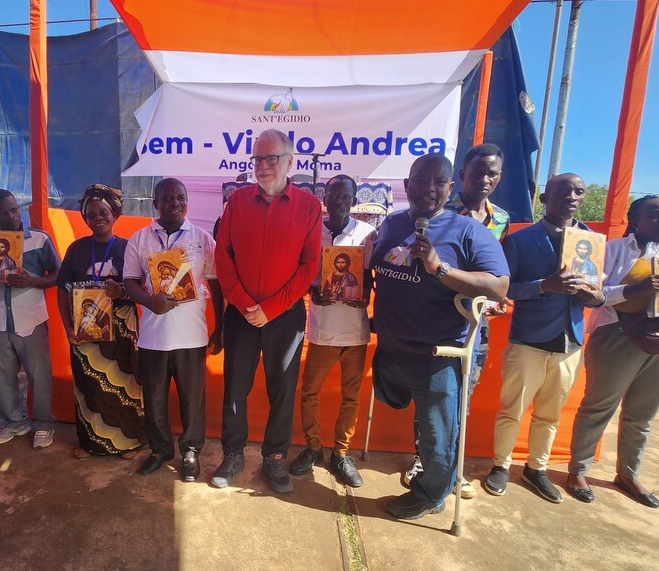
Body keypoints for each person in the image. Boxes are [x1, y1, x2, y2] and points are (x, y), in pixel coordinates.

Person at [372, 153, 508, 520]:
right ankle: (432, 483)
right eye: (419, 180)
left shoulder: (469, 231)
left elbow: (498, 286)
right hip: (389, 350)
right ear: (406, 185)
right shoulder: (390, 225)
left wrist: (440, 268)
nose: (427, 188)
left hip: (437, 354)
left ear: (451, 188)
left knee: (438, 435)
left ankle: (431, 495)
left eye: (437, 182)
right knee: (396, 406)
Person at [566, 195, 659, 508]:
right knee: (598, 407)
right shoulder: (613, 250)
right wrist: (638, 289)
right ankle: (578, 470)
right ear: (635, 220)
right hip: (618, 337)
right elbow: (592, 293)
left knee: (642, 415)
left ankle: (628, 474)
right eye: (655, 215)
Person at [212, 128, 321, 494]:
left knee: (282, 389)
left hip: (285, 317)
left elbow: (309, 267)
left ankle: (275, 458)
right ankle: (233, 453)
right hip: (241, 315)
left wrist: (272, 309)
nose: (262, 166)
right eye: (257, 159)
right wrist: (245, 304)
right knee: (235, 388)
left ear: (290, 161)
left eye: (270, 158)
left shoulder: (309, 206)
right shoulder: (237, 201)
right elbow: (222, 257)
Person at [483, 173, 603, 503]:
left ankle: (537, 469)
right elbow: (503, 288)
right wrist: (543, 285)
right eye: (563, 191)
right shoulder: (521, 241)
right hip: (529, 341)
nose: (572, 197)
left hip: (569, 341)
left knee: (550, 414)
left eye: (579, 191)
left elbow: (599, 295)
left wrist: (593, 296)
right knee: (512, 409)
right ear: (544, 198)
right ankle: (501, 466)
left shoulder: (591, 242)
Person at [404, 143, 512, 499]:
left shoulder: (488, 223)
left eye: (492, 173)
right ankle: (428, 462)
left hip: (464, 336)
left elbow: (498, 280)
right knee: (430, 406)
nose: (483, 179)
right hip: (421, 335)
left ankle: (443, 475)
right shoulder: (418, 218)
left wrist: (447, 272)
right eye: (477, 172)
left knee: (454, 408)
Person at [123, 178, 223, 481]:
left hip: (192, 335)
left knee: (192, 398)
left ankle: (191, 451)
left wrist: (219, 327)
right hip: (153, 336)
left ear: (187, 201)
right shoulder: (139, 239)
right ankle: (160, 449)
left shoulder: (202, 239)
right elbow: (129, 281)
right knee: (154, 397)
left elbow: (215, 283)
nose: (175, 203)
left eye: (180, 198)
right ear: (156, 204)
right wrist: (148, 300)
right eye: (167, 198)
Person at [289, 174, 375, 488]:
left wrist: (364, 294)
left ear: (354, 200)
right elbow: (301, 275)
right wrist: (313, 292)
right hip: (322, 329)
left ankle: (341, 452)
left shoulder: (367, 234)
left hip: (355, 331)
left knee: (350, 396)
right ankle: (313, 447)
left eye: (345, 196)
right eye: (334, 195)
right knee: (309, 392)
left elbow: (373, 277)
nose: (339, 201)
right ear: (325, 198)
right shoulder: (312, 233)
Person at [55, 183, 147, 459]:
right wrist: (67, 326)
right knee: (89, 385)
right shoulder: (76, 249)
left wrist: (124, 293)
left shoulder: (128, 247)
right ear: (85, 218)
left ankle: (129, 442)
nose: (98, 218)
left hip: (121, 326)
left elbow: (143, 287)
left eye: (103, 212)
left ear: (115, 213)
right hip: (86, 326)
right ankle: (90, 444)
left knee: (125, 385)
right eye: (92, 214)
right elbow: (62, 288)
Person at [0, 189, 60, 450]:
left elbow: (59, 274)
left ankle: (44, 424)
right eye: (2, 212)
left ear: (19, 207)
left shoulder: (39, 239)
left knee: (39, 375)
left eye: (13, 209)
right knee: (1, 375)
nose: (10, 216)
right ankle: (14, 422)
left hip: (31, 318)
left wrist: (33, 281)